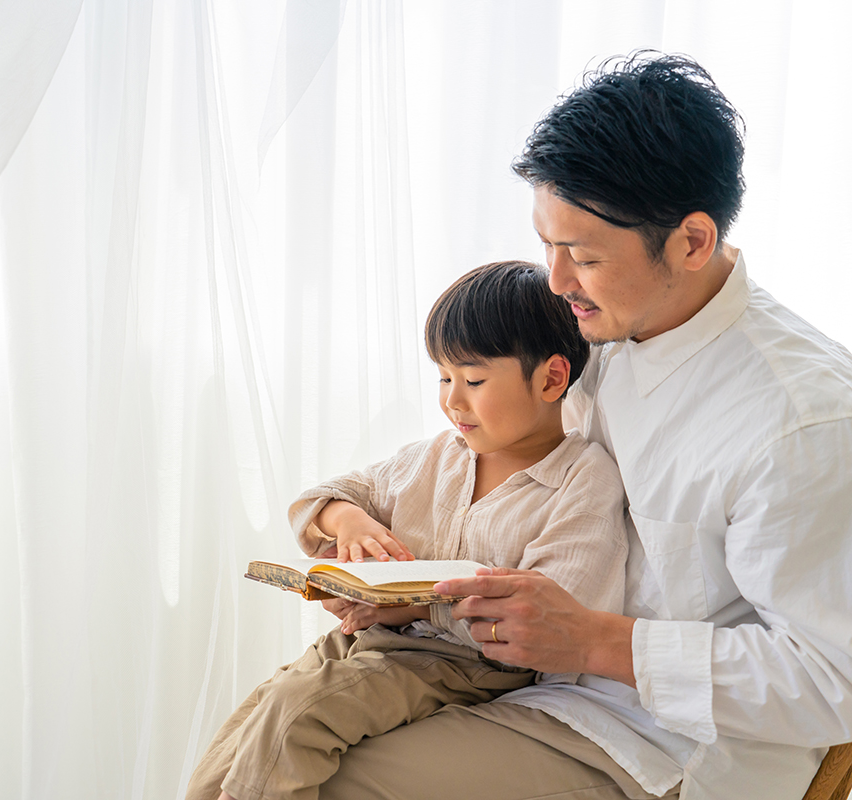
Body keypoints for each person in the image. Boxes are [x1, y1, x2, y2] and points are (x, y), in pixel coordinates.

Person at [314, 53, 852, 800]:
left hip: (667, 743)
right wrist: (392, 578)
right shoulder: (591, 331)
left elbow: (836, 680)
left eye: (584, 256)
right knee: (279, 740)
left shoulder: (801, 420)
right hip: (526, 682)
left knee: (334, 781)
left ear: (693, 241)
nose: (557, 280)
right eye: (548, 245)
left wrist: (601, 641)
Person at [186, 260, 630, 800]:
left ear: (551, 378)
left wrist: (415, 608)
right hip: (368, 640)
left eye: (473, 379)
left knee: (296, 716)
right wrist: (350, 523)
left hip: (460, 663)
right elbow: (317, 500)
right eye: (443, 378)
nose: (451, 400)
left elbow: (555, 615)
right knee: (237, 743)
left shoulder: (582, 480)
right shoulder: (437, 456)